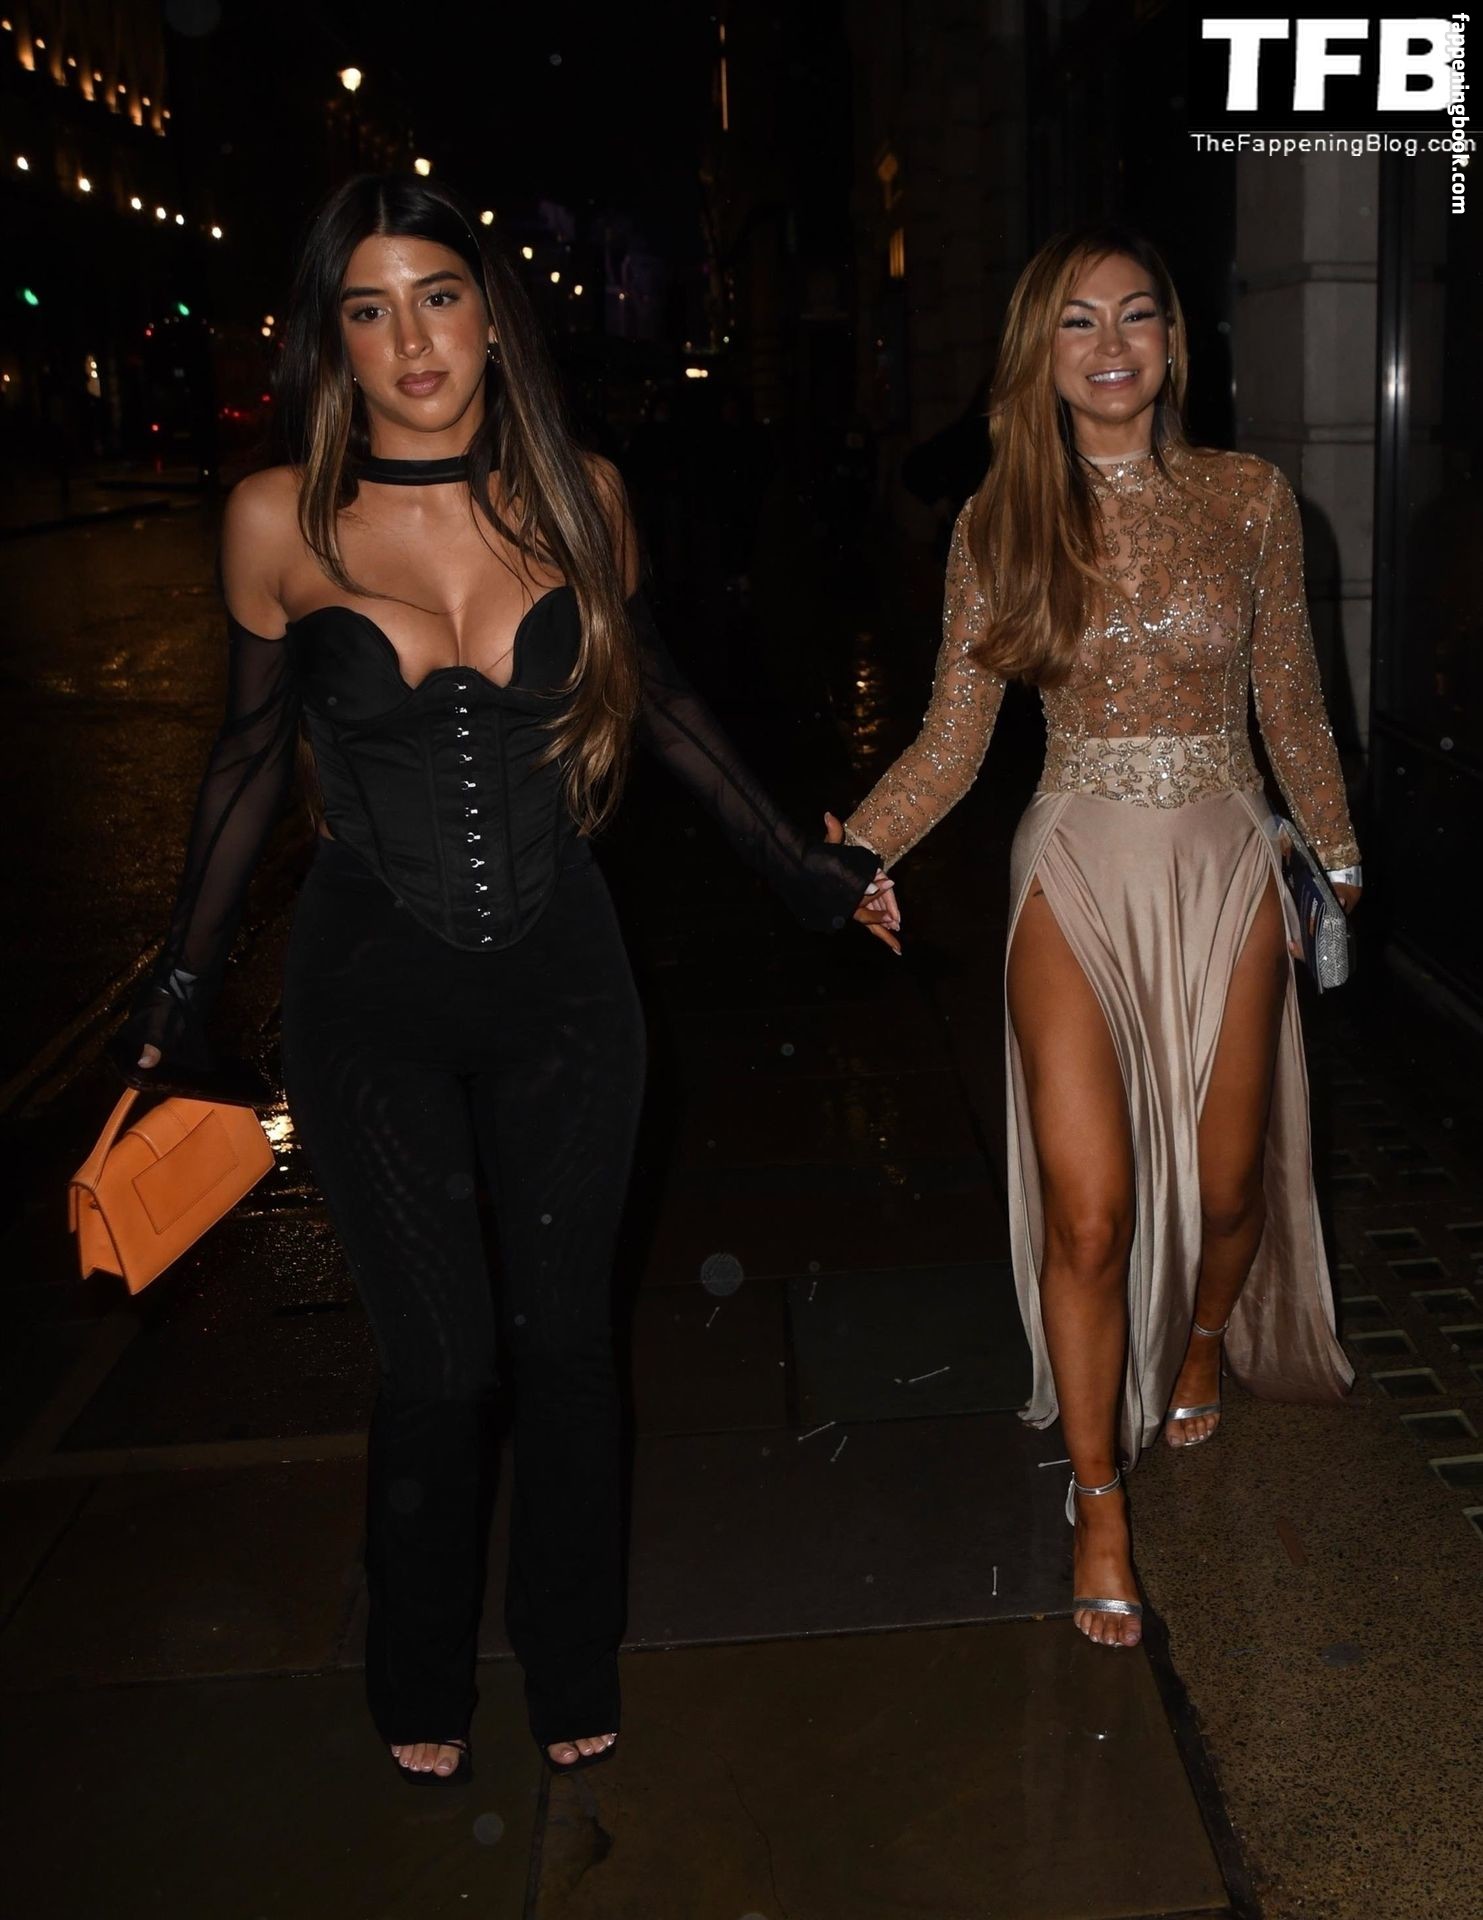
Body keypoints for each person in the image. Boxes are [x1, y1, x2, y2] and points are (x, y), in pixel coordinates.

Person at [112, 172, 895, 1781]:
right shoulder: (278, 518)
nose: (413, 341)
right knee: (442, 1362)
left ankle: (568, 1652)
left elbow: (662, 704)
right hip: (368, 985)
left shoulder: (583, 497)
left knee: (566, 1345)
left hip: (565, 979)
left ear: (491, 314)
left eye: (440, 297)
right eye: (370, 309)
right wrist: (175, 1000)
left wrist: (804, 871)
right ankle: (417, 1669)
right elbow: (246, 765)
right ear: (333, 337)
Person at [834, 226, 1360, 1650]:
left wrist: (1338, 861)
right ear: (1039, 354)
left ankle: (1204, 1339)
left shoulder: (1249, 499)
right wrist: (856, 847)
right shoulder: (999, 522)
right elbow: (954, 739)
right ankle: (1098, 1497)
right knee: (1089, 1211)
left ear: (1174, 343)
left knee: (1232, 1189)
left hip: (1228, 856)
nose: (1112, 344)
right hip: (1073, 861)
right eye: (1078, 321)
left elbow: (1291, 702)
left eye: (1137, 316)